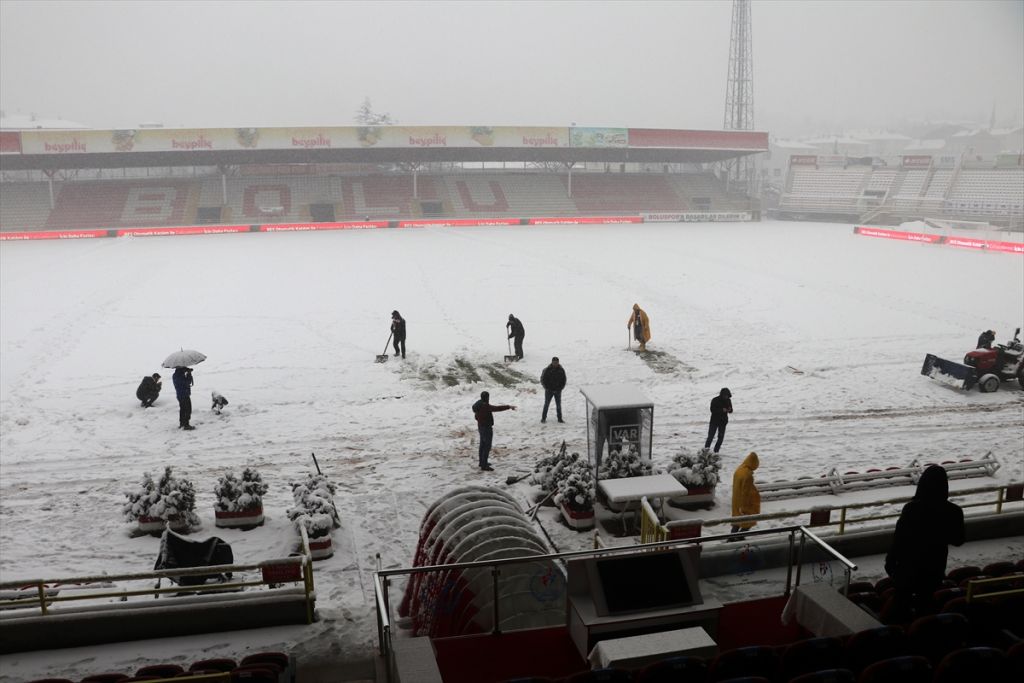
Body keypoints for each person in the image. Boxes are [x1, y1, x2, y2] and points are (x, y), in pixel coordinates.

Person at [884, 464, 965, 622]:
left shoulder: (911, 508)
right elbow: (959, 540)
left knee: (900, 605)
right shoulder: (954, 511)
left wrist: (890, 563)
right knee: (925, 605)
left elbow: (899, 540)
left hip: (908, 568)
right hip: (935, 568)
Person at [471, 390, 515, 471]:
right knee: (487, 446)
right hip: (486, 428)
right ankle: (484, 465)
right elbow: (497, 408)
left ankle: (482, 462)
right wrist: (508, 406)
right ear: (487, 398)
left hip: (480, 427)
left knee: (482, 445)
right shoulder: (485, 406)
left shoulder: (479, 404)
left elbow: (476, 416)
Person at [731, 452, 760, 534]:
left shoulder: (739, 470)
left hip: (736, 501)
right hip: (744, 504)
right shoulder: (748, 475)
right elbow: (746, 493)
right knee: (749, 522)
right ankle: (739, 537)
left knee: (736, 521)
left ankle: (731, 538)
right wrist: (744, 508)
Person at [704, 388, 734, 454]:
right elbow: (712, 410)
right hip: (714, 421)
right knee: (710, 437)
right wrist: (721, 410)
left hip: (723, 422)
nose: (726, 397)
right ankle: (705, 452)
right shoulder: (715, 400)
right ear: (722, 394)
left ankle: (716, 452)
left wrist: (730, 409)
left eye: (727, 395)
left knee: (720, 439)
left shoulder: (728, 400)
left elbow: (731, 410)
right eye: (725, 395)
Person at [540, 357, 566, 423]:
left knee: (558, 405)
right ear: (552, 362)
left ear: (558, 362)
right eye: (554, 362)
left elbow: (564, 380)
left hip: (558, 391)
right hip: (549, 391)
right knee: (546, 405)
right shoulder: (547, 370)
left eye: (556, 363)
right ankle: (543, 418)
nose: (555, 364)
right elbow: (542, 379)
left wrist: (560, 388)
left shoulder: (561, 370)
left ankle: (560, 419)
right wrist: (546, 387)